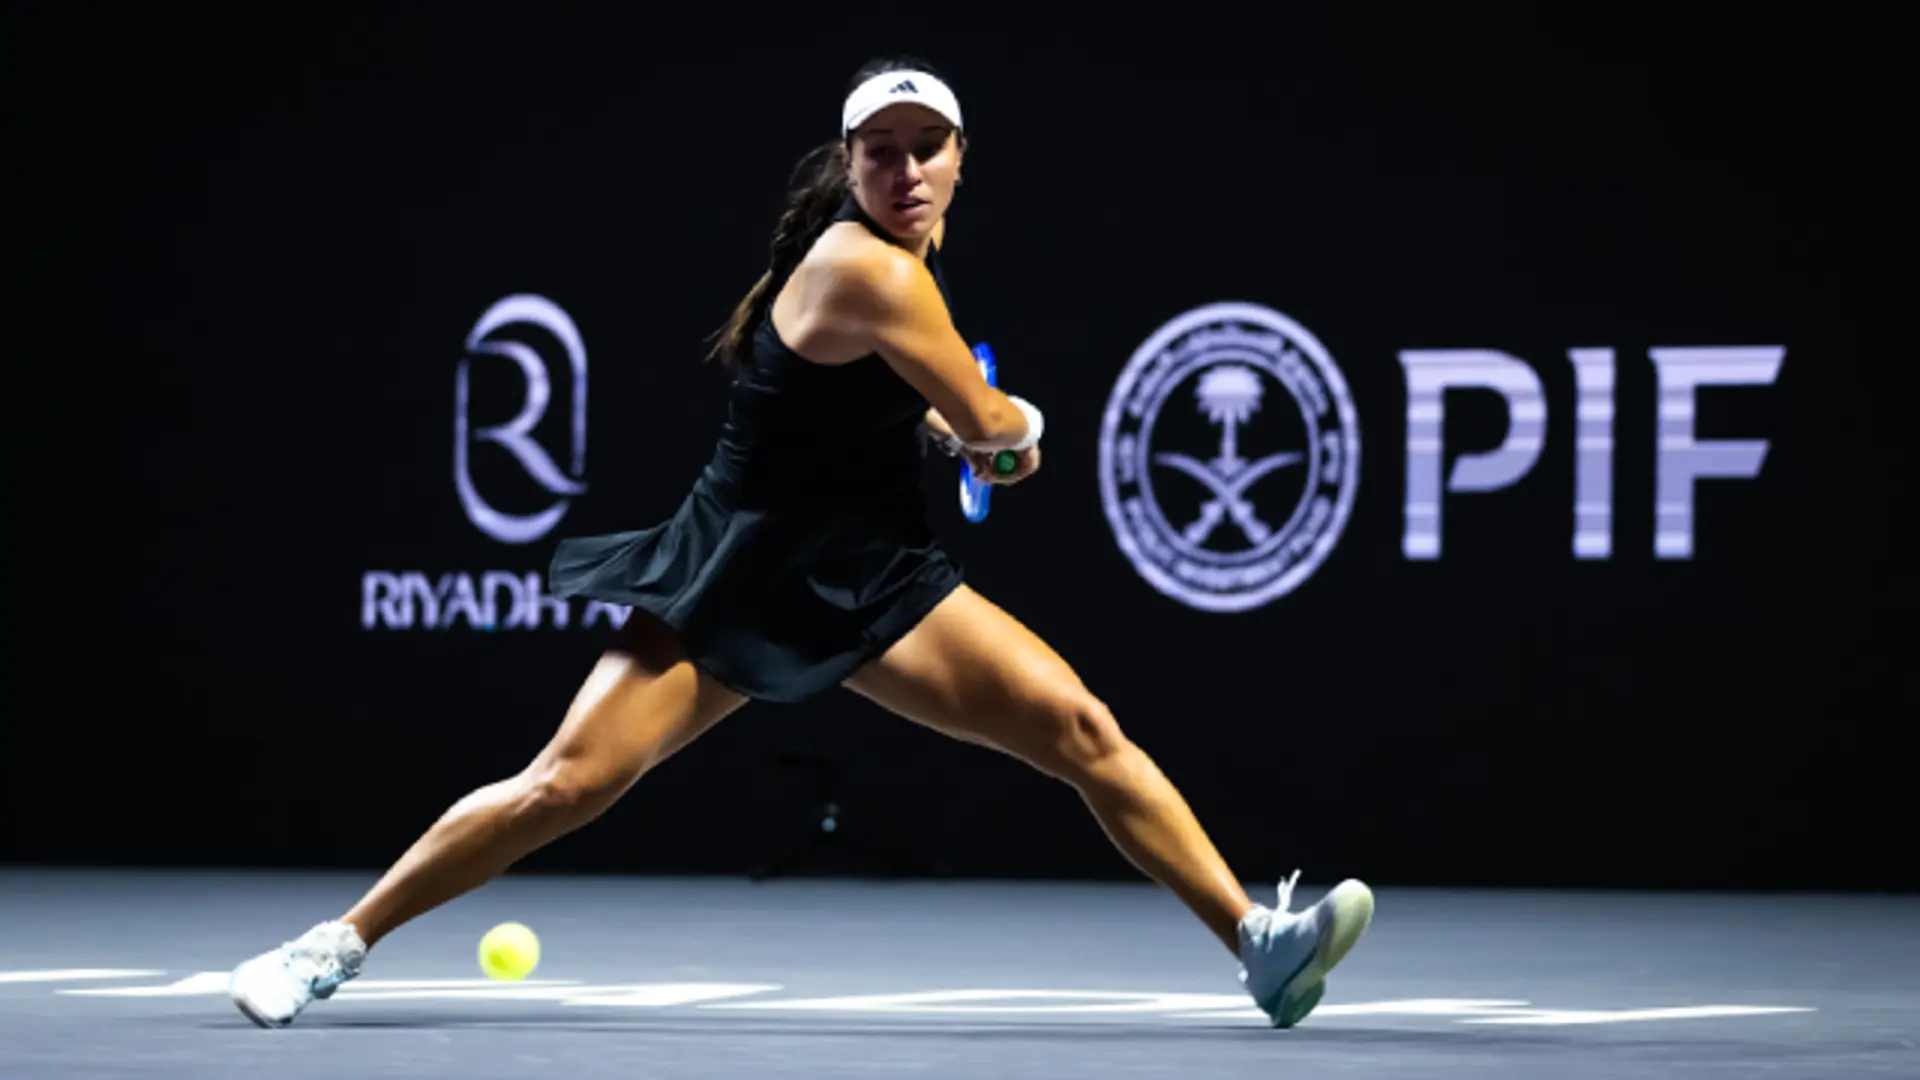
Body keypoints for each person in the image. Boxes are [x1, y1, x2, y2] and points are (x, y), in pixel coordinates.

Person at [228, 56, 1373, 1031]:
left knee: (1080, 728)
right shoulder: (870, 267)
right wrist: (1014, 432)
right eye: (884, 149)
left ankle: (1257, 943)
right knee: (563, 787)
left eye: (929, 146)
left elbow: (891, 400)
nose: (908, 169)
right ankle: (331, 945)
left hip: (872, 570)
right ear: (849, 160)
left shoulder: (891, 266)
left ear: (964, 156)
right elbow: (995, 429)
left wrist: (944, 425)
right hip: (739, 572)